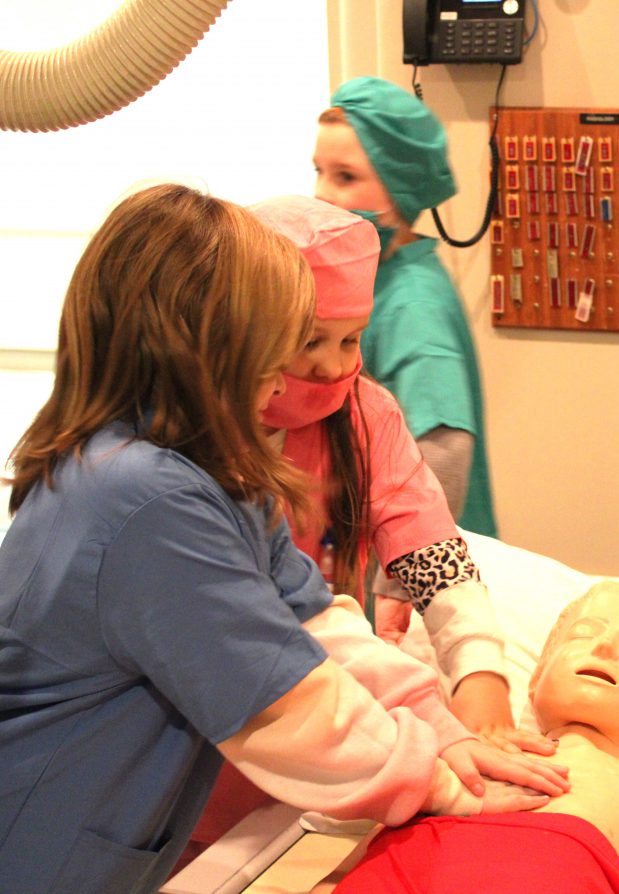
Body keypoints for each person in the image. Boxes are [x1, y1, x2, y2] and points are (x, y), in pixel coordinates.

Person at [0, 184, 567, 894]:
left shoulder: (215, 470)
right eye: (288, 342)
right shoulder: (146, 499)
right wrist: (443, 783)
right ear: (203, 344)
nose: (296, 378)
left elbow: (322, 628)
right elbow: (289, 708)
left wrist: (450, 732)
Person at [183, 195, 549, 858]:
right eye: (308, 341)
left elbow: (431, 555)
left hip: (344, 722)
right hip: (218, 730)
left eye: (351, 340)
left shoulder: (363, 416)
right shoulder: (191, 451)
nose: (331, 365)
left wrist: (480, 685)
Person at [316, 581, 619, 894]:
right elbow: (371, 845)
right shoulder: (465, 747)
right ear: (537, 677)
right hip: (402, 861)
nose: (605, 646)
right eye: (582, 634)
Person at [312, 75, 496, 638]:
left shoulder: (411, 303)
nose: (322, 194)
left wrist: (395, 582)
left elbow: (443, 451)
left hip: (413, 595)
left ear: (400, 185)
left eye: (346, 177)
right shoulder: (379, 279)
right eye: (318, 170)